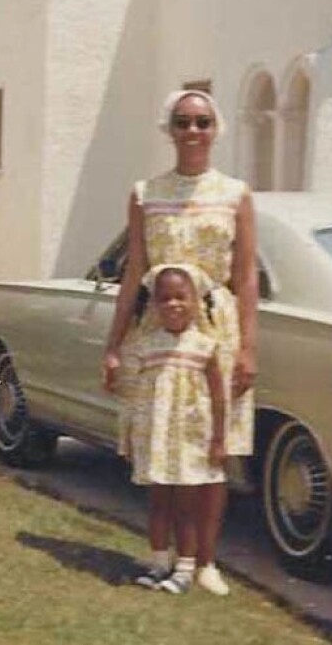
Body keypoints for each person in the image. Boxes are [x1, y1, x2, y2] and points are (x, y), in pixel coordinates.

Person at [102, 89, 258, 596]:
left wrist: (249, 348)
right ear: (168, 129)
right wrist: (113, 342)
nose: (193, 131)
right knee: (165, 445)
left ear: (217, 130)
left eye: (203, 122)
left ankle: (208, 562)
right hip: (157, 336)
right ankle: (167, 556)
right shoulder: (146, 193)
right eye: (183, 122)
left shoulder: (236, 194)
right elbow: (133, 274)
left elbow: (246, 277)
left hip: (218, 330)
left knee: (214, 449)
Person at [125, 264, 227, 594]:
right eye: (164, 298)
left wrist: (218, 439)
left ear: (195, 301)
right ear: (154, 304)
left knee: (186, 506)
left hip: (189, 439)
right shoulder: (146, 345)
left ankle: (185, 568)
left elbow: (217, 396)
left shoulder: (204, 346)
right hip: (156, 438)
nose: (172, 305)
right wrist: (131, 437)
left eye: (180, 297)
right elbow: (136, 394)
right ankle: (158, 562)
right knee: (158, 502)